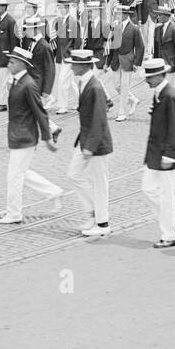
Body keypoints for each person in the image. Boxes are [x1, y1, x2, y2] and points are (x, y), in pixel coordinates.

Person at [0, 47, 63, 225]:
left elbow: (40, 113)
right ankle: (53, 192)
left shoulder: (28, 84)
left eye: (12, 61)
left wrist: (47, 138)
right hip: (18, 135)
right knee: (21, 173)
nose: (9, 64)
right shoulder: (17, 82)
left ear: (22, 64)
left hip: (24, 137)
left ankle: (14, 213)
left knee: (14, 176)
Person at [66, 49, 113, 236]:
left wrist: (90, 147)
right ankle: (94, 213)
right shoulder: (86, 83)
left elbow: (100, 119)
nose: (71, 66)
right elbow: (107, 103)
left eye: (74, 64)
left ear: (84, 65)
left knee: (100, 183)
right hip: (85, 139)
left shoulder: (94, 86)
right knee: (73, 174)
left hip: (96, 143)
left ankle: (102, 224)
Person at [141, 57, 175, 248]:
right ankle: (173, 220)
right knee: (149, 189)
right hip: (156, 152)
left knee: (166, 195)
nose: (146, 80)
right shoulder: (160, 93)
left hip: (165, 154)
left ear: (160, 76)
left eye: (150, 77)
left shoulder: (169, 96)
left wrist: (170, 154)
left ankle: (170, 235)